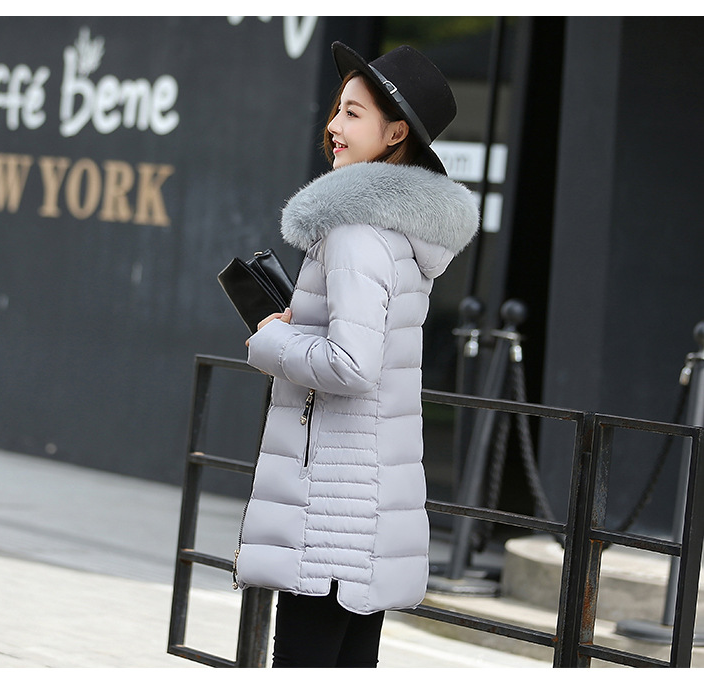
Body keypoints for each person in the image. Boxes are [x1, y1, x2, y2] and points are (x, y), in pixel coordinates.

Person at [233, 41, 480, 668]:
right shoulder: (399, 233)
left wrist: (273, 339)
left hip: (330, 511)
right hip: (365, 506)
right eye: (337, 109)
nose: (334, 126)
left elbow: (352, 364)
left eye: (353, 113)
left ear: (396, 133)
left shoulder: (355, 232)